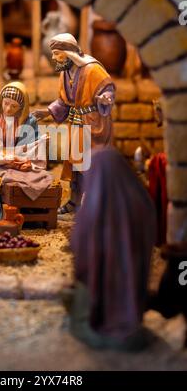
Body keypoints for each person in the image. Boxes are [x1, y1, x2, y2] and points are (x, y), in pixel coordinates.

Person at [69, 148, 156, 351]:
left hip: (100, 290)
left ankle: (104, 319)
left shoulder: (92, 211)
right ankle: (129, 317)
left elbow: (78, 249)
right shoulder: (142, 204)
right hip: (132, 284)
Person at [33, 33, 115, 214]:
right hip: (76, 124)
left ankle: (95, 205)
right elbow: (63, 102)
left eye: (57, 53)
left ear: (68, 53)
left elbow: (107, 88)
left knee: (91, 165)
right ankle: (74, 201)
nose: (54, 58)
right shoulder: (64, 72)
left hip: (93, 124)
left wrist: (106, 98)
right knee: (75, 167)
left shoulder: (92, 69)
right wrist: (46, 112)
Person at [0, 82, 51, 224]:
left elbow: (28, 148)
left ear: (21, 107)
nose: (8, 109)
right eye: (6, 103)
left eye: (14, 106)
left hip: (16, 159)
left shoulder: (29, 122)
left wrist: (39, 143)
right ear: (1, 101)